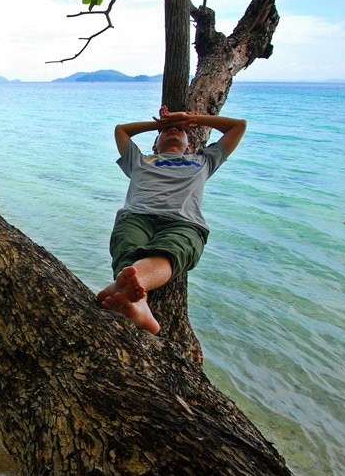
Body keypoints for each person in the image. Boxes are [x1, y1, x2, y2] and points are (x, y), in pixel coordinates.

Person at [97, 107, 247, 334]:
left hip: (184, 223)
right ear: (155, 145)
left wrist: (189, 119)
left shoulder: (203, 161)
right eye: (166, 132)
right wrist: (160, 124)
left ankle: (132, 294)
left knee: (171, 251)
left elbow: (239, 126)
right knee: (127, 248)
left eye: (179, 130)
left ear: (189, 146)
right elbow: (121, 130)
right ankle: (139, 304)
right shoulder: (139, 160)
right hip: (137, 216)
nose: (173, 130)